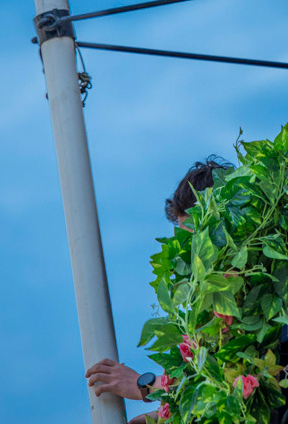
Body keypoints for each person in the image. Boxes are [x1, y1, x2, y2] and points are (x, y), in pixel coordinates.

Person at [85, 158, 233, 424]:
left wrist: (144, 385)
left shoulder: (241, 281)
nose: (188, 251)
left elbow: (226, 384)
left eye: (194, 235)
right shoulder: (209, 294)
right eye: (183, 238)